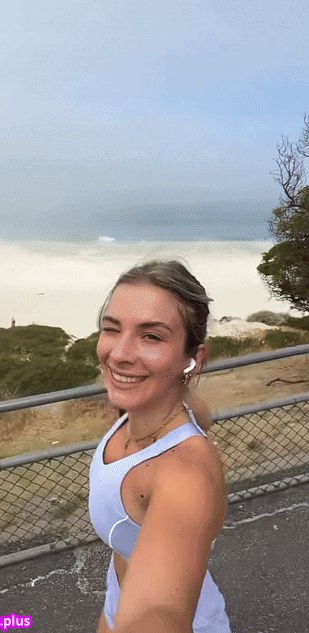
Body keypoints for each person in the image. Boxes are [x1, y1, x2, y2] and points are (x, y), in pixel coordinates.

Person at [88, 260, 232, 633]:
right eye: (112, 329)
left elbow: (157, 614)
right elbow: (197, 408)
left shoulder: (184, 476)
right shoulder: (135, 409)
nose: (119, 354)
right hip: (117, 597)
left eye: (151, 337)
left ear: (193, 359)